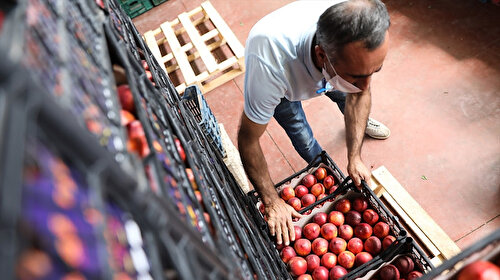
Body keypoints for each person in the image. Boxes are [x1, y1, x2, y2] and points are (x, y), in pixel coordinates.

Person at [237, 0, 391, 247]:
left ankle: (358, 125)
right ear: (321, 55)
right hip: (288, 84)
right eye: (358, 75)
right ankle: (320, 167)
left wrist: (355, 157)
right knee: (300, 130)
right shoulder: (270, 66)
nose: (367, 85)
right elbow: (248, 139)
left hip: (332, 70)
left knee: (349, 94)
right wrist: (272, 201)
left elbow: (360, 90)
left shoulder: (355, 26)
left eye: (375, 71)